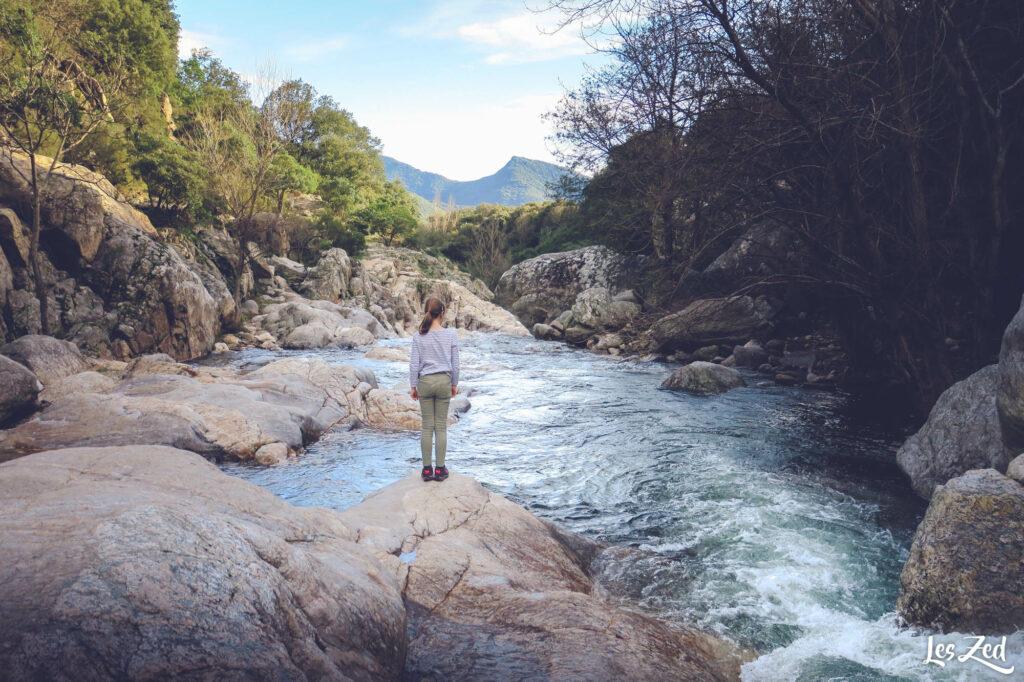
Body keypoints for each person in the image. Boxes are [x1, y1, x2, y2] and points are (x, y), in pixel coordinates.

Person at [409, 297, 460, 482]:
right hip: (444, 382)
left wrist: (413, 386)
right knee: (440, 426)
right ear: (443, 314)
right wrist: (454, 384)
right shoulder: (451, 334)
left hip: (425, 383)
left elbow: (414, 365)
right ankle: (440, 470)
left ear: (426, 312)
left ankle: (426, 470)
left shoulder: (418, 336)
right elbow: (456, 364)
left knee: (426, 426)